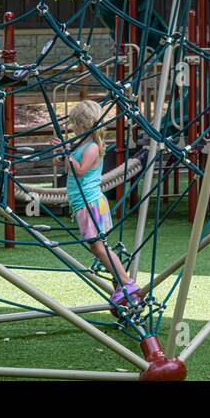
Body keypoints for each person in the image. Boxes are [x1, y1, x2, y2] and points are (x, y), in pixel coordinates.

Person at [65, 100, 141, 311]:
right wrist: (61, 156)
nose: (73, 129)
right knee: (97, 247)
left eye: (75, 125)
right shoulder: (81, 146)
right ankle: (122, 281)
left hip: (90, 204)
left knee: (99, 247)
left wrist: (67, 156)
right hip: (84, 204)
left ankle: (126, 283)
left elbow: (79, 170)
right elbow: (70, 166)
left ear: (83, 125)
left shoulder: (91, 148)